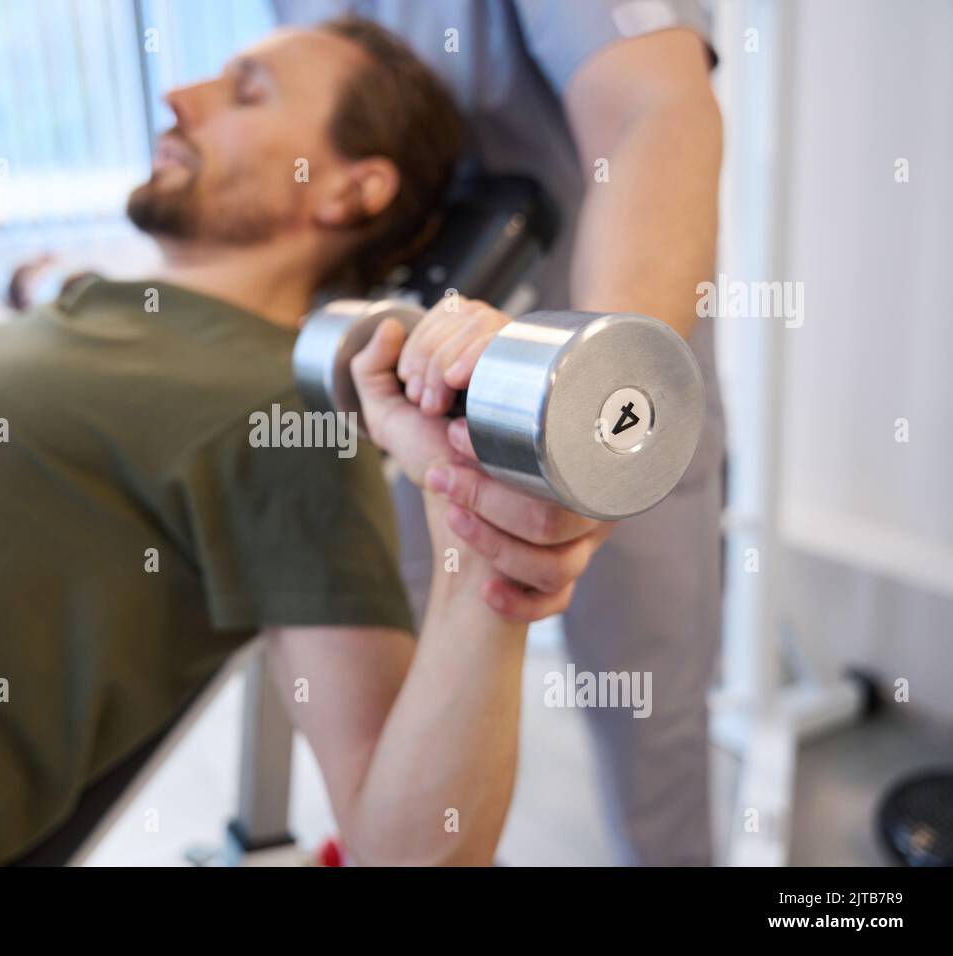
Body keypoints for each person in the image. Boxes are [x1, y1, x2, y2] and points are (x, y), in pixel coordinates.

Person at [0, 18, 590, 866]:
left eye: (248, 91)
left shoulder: (285, 417)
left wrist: (480, 553)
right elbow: (48, 278)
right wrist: (32, 277)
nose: (180, 99)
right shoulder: (98, 300)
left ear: (351, 188)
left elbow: (407, 853)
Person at [272, 0, 727, 865]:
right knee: (419, 721)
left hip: (601, 374)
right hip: (397, 392)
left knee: (644, 708)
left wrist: (591, 404)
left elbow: (652, 114)